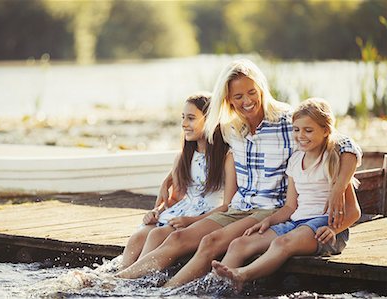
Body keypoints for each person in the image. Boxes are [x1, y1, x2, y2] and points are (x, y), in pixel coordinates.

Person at [115, 59, 361, 287]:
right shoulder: (231, 127)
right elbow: (197, 142)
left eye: (252, 92)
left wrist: (340, 186)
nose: (247, 101)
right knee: (177, 239)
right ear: (228, 99)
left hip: (271, 209)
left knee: (212, 242)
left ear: (262, 89)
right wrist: (170, 178)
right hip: (237, 207)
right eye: (238, 96)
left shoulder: (288, 121)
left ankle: (171, 291)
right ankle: (119, 282)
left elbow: (346, 145)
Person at [211, 98, 361, 290]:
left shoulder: (333, 162)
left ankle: (242, 275)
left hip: (325, 229)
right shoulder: (295, 160)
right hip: (296, 223)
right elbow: (290, 206)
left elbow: (354, 212)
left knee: (282, 243)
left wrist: (333, 230)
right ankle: (215, 288)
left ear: (325, 131)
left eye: (309, 130)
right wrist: (267, 221)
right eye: (296, 129)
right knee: (239, 244)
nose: (301, 136)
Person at [119, 93, 237, 270]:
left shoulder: (226, 158)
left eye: (191, 118)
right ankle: (120, 274)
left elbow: (227, 206)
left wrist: (190, 220)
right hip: (181, 212)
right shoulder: (184, 157)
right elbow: (173, 199)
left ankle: (132, 279)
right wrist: (156, 211)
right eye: (183, 118)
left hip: (205, 216)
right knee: (139, 235)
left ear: (211, 120)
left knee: (156, 235)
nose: (184, 124)